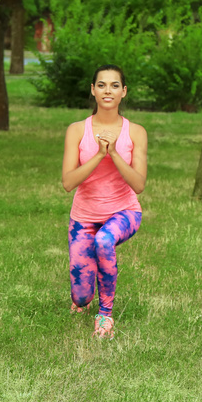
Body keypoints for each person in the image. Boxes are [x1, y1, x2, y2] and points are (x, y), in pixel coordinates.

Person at [62, 64, 147, 340]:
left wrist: (115, 154)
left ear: (123, 92)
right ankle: (85, 300)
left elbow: (139, 184)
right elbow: (68, 182)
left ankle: (106, 315)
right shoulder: (77, 130)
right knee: (81, 296)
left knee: (104, 241)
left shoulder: (136, 132)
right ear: (93, 90)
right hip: (84, 217)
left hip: (125, 212)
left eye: (114, 85)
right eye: (101, 85)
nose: (107, 90)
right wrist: (99, 154)